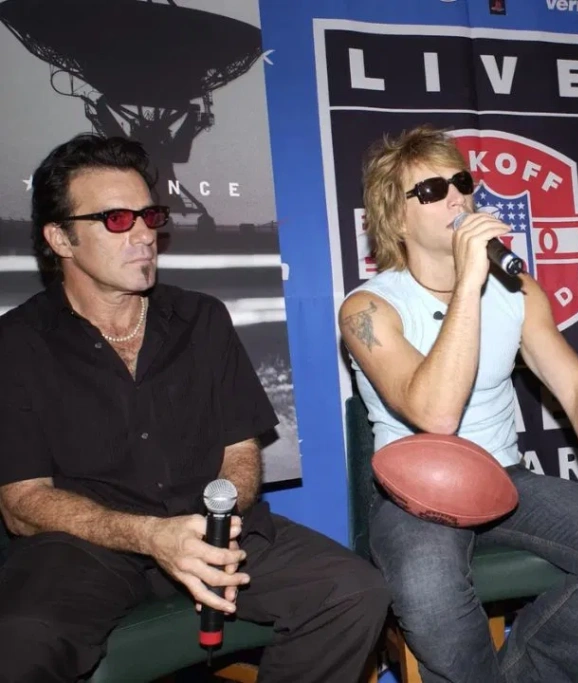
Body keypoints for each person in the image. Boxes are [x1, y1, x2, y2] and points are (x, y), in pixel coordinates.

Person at [0, 134, 390, 683]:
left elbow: (240, 451)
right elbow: (22, 504)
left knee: (352, 591)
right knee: (22, 641)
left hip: (213, 529)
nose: (144, 234)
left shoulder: (201, 319)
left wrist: (218, 518)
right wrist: (150, 535)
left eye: (150, 216)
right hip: (88, 549)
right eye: (117, 220)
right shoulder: (17, 342)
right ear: (61, 238)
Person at [339, 125, 578, 683]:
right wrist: (469, 283)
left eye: (461, 183)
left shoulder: (519, 292)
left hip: (505, 476)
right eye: (432, 190)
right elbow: (436, 415)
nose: (456, 199)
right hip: (415, 493)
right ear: (397, 220)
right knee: (429, 593)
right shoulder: (367, 309)